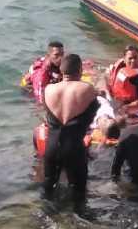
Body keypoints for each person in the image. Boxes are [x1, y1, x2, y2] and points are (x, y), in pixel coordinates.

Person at [43, 53, 100, 196]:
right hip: (74, 148)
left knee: (48, 190)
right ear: (80, 70)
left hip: (51, 147)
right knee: (78, 193)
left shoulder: (48, 89)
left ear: (61, 70)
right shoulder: (87, 89)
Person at [106, 45, 138, 122]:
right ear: (124, 59)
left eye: (135, 58)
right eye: (130, 58)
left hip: (132, 104)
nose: (133, 61)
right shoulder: (120, 66)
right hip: (116, 98)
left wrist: (125, 107)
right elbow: (108, 76)